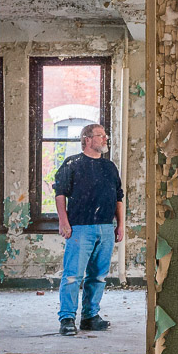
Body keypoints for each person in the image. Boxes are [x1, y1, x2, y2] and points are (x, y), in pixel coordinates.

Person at [54, 123, 125, 336]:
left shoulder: (109, 167)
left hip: (106, 227)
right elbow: (60, 194)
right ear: (87, 139)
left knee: (98, 276)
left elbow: (118, 198)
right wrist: (63, 221)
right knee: (72, 276)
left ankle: (90, 316)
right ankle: (67, 318)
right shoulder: (72, 164)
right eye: (100, 136)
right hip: (80, 228)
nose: (105, 139)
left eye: (105, 136)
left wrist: (120, 224)